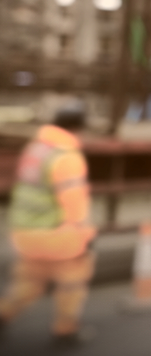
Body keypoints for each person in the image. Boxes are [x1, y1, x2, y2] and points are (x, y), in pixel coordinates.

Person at [0, 99, 97, 345]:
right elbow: (74, 204)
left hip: (25, 232)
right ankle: (66, 330)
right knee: (72, 283)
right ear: (77, 128)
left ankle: (3, 314)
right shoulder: (67, 157)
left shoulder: (36, 149)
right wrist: (86, 237)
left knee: (28, 283)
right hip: (57, 236)